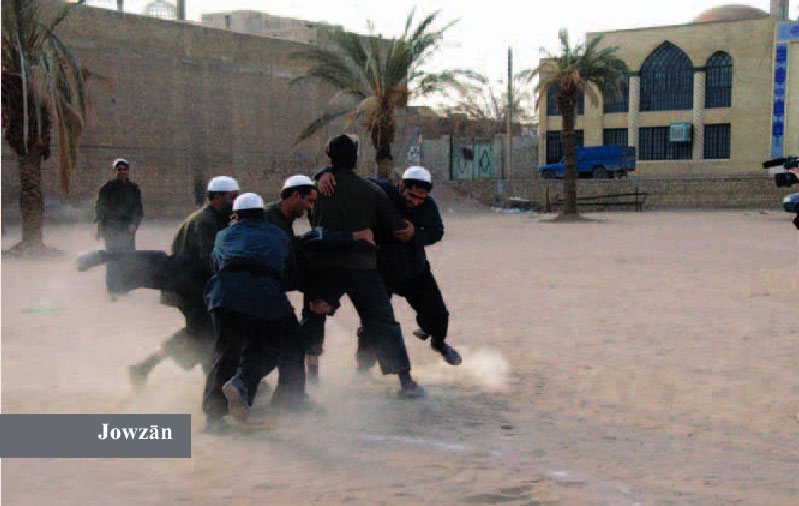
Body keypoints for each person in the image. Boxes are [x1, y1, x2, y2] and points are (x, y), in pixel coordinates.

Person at [303, 134, 424, 398]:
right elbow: (394, 226)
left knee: (314, 314)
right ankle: (405, 380)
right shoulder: (371, 190)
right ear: (355, 159)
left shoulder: (318, 190)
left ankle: (311, 376)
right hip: (362, 268)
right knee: (382, 321)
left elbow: (312, 223)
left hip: (324, 266)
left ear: (329, 158)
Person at [318, 166, 461, 369]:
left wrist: (415, 235)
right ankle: (363, 369)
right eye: (412, 196)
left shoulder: (427, 205)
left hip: (414, 270)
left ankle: (438, 344)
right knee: (372, 324)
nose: (415, 202)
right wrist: (325, 173)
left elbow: (436, 232)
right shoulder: (382, 190)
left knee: (438, 314)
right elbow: (352, 180)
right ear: (401, 185)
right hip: (380, 273)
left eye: (421, 198)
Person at [127, 176, 240, 388]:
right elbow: (211, 260)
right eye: (233, 198)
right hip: (191, 289)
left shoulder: (211, 218)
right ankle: (217, 387)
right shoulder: (204, 222)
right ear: (217, 198)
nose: (236, 202)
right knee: (207, 335)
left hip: (195, 288)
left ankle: (144, 367)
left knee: (197, 334)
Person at [202, 193, 301, 432]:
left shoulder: (224, 235)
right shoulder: (278, 234)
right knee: (267, 350)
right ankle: (242, 383)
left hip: (225, 295)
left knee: (225, 353)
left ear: (236, 215)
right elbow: (290, 270)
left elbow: (215, 264)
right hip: (264, 294)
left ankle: (214, 419)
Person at [94, 158, 143, 296]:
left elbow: (138, 209)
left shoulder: (134, 189)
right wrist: (100, 225)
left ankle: (125, 288)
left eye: (124, 169)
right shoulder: (107, 188)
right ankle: (112, 290)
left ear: (128, 171)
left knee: (127, 259)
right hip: (112, 230)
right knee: (112, 260)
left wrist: (134, 224)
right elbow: (100, 207)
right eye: (119, 169)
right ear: (115, 171)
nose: (122, 172)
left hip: (128, 231)